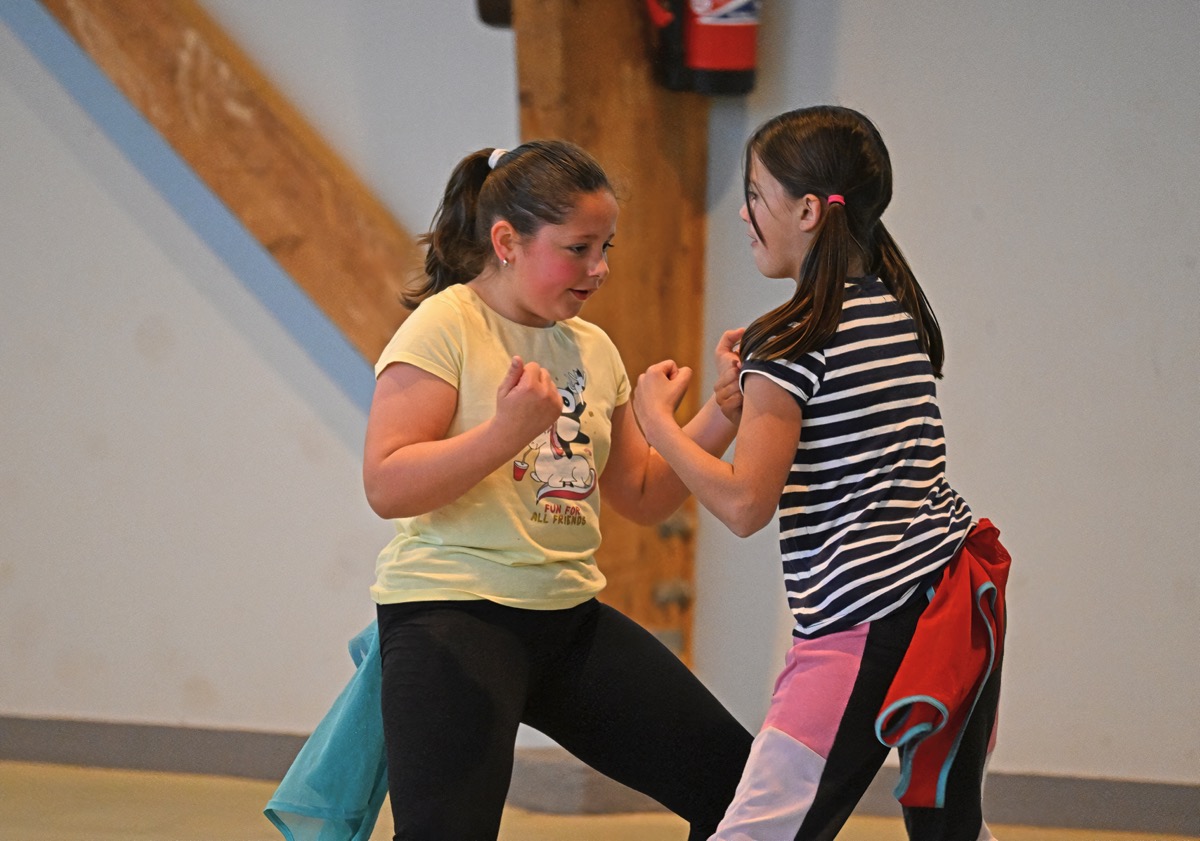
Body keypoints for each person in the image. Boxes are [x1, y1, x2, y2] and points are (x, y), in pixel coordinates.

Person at [634, 106, 1010, 841]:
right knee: (951, 831)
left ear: (808, 210)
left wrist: (659, 425)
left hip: (863, 619)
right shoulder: (899, 307)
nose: (743, 213)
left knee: (758, 832)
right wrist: (748, 394)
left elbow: (746, 505)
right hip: (954, 597)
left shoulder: (789, 339)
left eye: (755, 193)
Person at [362, 139, 752, 840]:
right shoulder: (446, 325)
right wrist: (503, 432)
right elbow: (386, 484)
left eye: (606, 247)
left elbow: (642, 494)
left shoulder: (591, 348)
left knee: (744, 791)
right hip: (452, 613)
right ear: (507, 242)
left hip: (567, 619)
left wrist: (725, 411)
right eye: (578, 249)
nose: (599, 268)